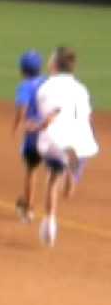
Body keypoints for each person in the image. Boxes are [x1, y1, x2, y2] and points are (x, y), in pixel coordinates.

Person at [34, 46, 99, 247]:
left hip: (55, 140)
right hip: (79, 139)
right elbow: (87, 117)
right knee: (77, 149)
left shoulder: (45, 87)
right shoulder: (81, 89)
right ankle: (72, 172)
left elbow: (46, 116)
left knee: (53, 176)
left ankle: (50, 222)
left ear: (54, 65)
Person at [13, 50, 47, 223]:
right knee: (53, 169)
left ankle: (29, 209)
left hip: (33, 135)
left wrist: (16, 126)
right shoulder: (48, 82)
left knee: (31, 170)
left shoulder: (25, 86)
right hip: (51, 132)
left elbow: (22, 110)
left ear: (22, 69)